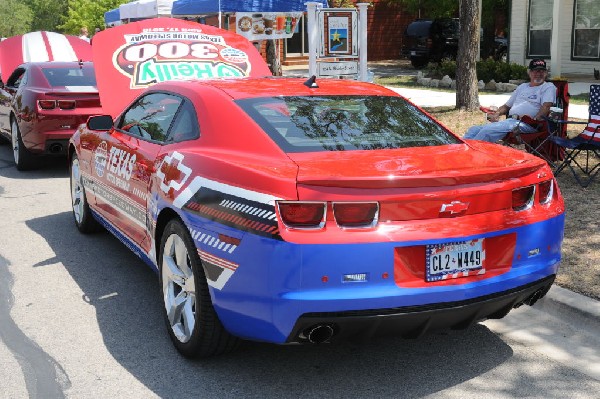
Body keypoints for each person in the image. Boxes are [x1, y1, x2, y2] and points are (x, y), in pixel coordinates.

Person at [464, 59, 556, 143]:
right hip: (511, 121)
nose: (539, 73)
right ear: (529, 72)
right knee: (474, 129)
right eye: (536, 70)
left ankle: (471, 156)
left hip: (527, 124)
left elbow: (546, 106)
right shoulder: (522, 87)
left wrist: (535, 120)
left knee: (488, 131)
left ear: (546, 73)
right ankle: (457, 152)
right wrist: (497, 114)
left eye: (542, 71)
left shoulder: (548, 87)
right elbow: (506, 106)